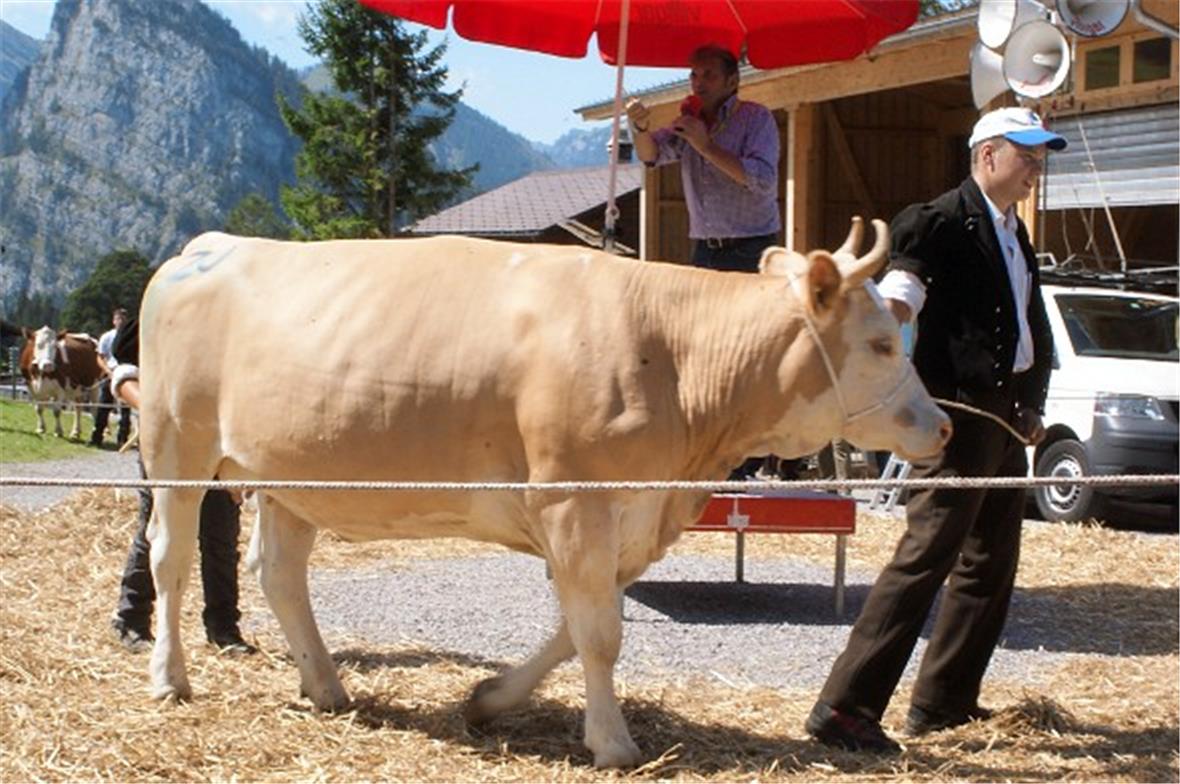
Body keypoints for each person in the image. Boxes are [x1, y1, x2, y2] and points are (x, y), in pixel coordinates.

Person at [804, 107, 1062, 752]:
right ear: (987, 155)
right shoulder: (939, 218)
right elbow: (904, 287)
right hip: (959, 416)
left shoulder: (1011, 229)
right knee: (925, 559)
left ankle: (944, 703)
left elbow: (1025, 325)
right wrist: (886, 321)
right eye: (1026, 155)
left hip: (1005, 415)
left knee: (989, 565)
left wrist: (1030, 398)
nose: (1036, 167)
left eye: (1039, 156)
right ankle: (843, 708)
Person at [627, 43, 783, 479]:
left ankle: (745, 458)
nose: (699, 82)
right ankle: (702, 451)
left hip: (751, 246)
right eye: (695, 74)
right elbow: (650, 155)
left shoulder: (756, 119)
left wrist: (706, 145)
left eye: (709, 75)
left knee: (747, 353)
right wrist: (638, 126)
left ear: (733, 80)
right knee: (699, 352)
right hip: (705, 248)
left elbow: (762, 181)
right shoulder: (686, 122)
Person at [107, 316, 256, 655]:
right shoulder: (163, 304)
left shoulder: (232, 311)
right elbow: (123, 372)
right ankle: (130, 619)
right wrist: (159, 416)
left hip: (219, 445)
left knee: (221, 536)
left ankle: (223, 629)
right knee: (156, 532)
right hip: (170, 444)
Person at [90, 307, 133, 448]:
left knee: (125, 408)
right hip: (111, 373)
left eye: (123, 319)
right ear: (113, 321)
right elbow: (100, 357)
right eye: (118, 319)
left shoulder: (132, 337)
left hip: (126, 373)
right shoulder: (107, 337)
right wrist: (108, 371)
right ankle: (97, 437)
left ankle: (123, 438)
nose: (120, 322)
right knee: (104, 406)